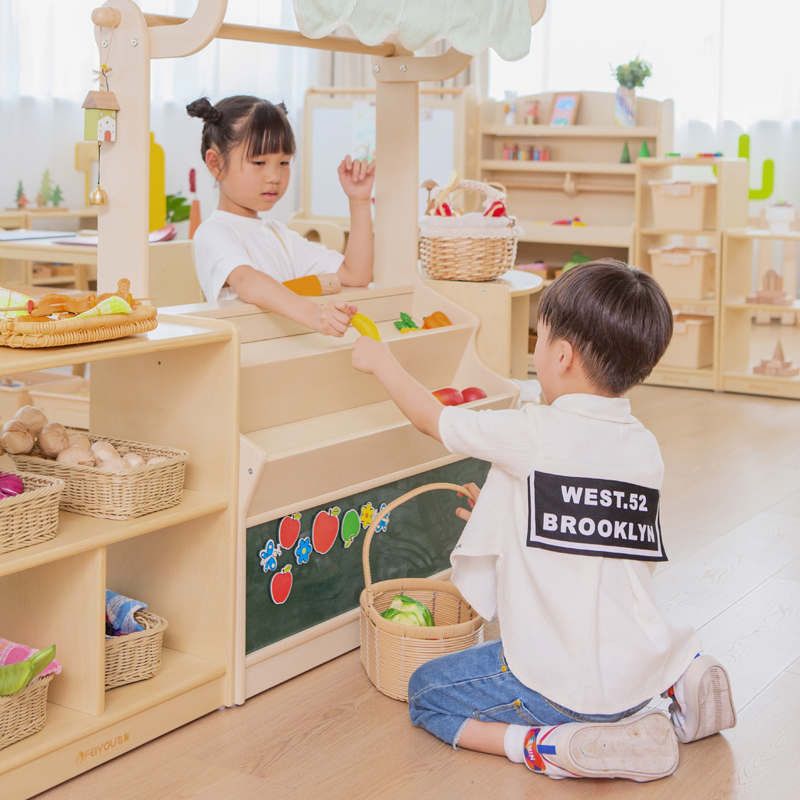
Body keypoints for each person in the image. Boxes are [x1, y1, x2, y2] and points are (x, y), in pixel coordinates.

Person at [351, 259, 736, 782]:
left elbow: (431, 419)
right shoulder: (644, 448)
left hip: (558, 689)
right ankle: (677, 678)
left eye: (540, 336)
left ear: (561, 355)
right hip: (634, 671)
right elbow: (585, 520)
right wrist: (504, 512)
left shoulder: (532, 431)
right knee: (624, 630)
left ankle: (546, 745)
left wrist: (381, 360)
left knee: (426, 692)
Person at [187, 95, 375, 336]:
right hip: (247, 355)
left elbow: (356, 275)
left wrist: (359, 201)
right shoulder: (213, 232)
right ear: (216, 164)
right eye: (259, 162)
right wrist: (313, 314)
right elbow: (247, 282)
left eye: (284, 162)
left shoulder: (279, 235)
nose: (275, 176)